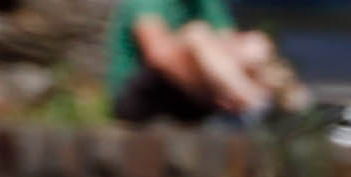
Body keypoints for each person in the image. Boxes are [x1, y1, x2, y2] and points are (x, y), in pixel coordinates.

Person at [105, 0, 302, 121]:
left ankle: (293, 105)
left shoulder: (208, 3)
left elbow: (229, 46)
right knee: (196, 34)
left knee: (254, 44)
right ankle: (254, 103)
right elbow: (158, 56)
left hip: (191, 96)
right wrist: (208, 93)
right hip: (140, 95)